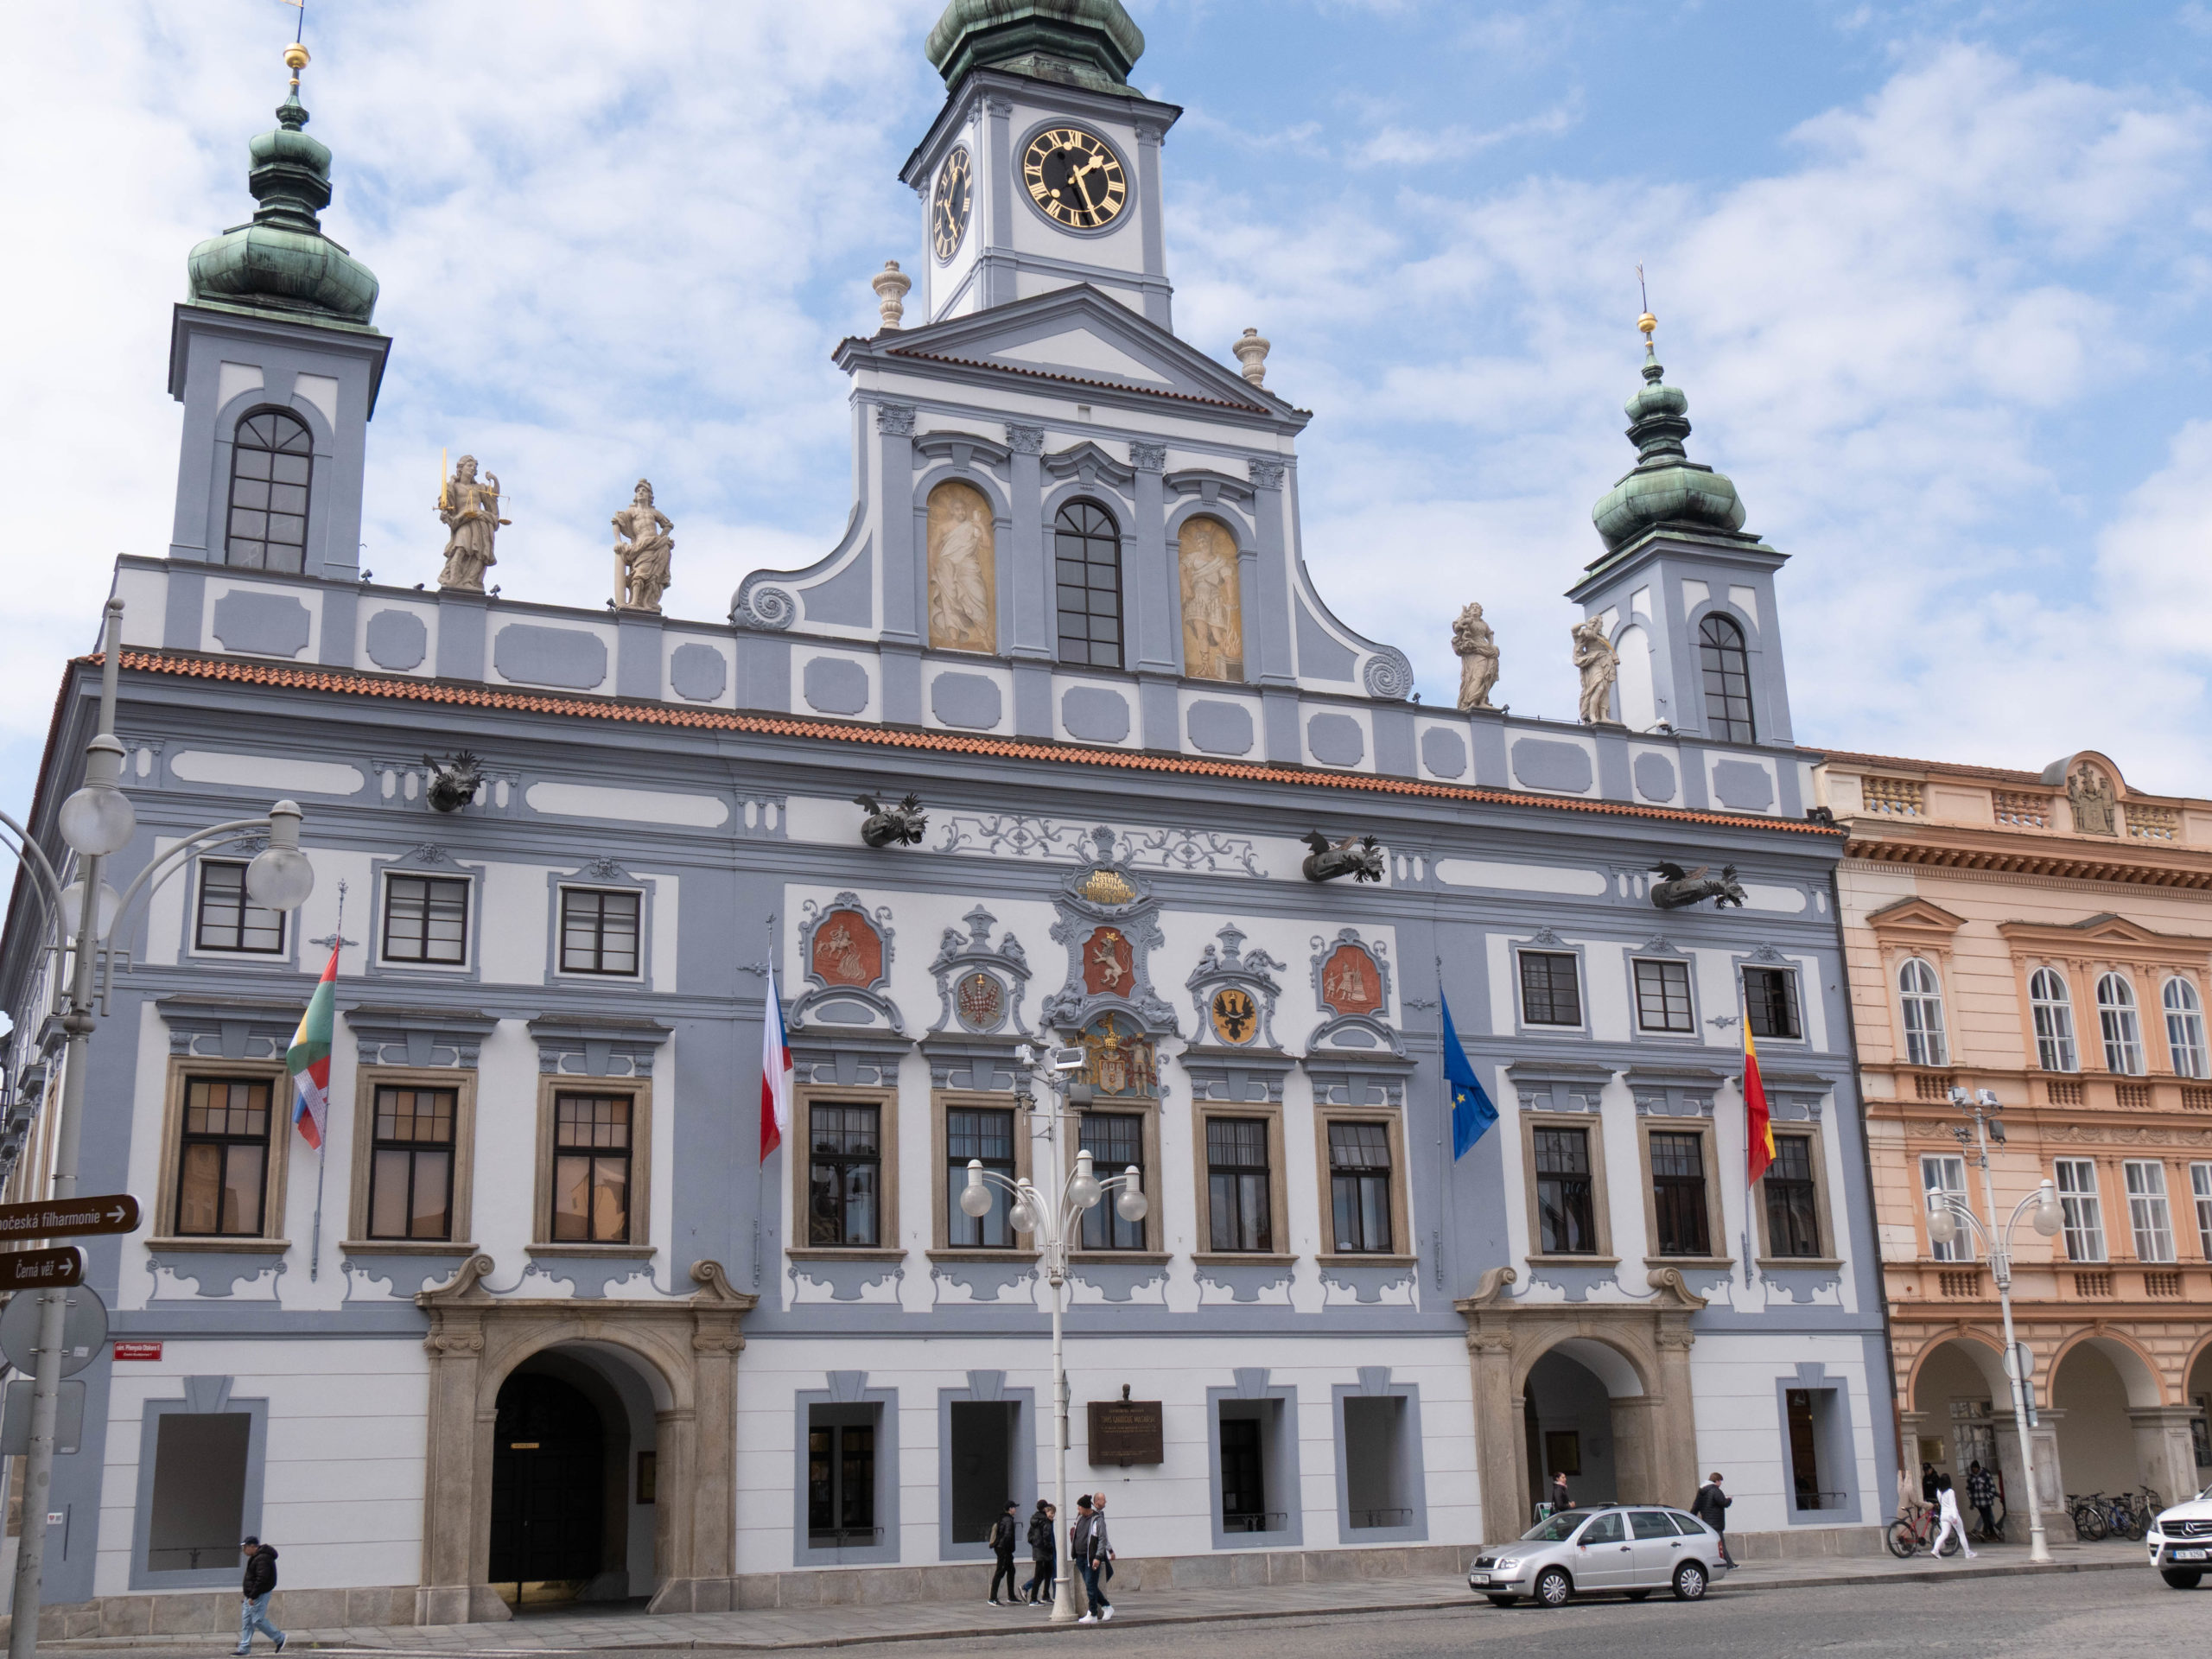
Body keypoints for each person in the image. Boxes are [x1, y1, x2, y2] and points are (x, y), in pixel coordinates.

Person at [236, 1535, 285, 1655]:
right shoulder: (255, 1558)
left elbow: (262, 1579)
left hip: (259, 1595)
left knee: (257, 1620)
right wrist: (248, 1595)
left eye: (245, 1547)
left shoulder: (263, 1558)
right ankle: (244, 1649)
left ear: (253, 1546)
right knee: (247, 1622)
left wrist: (253, 1596)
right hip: (251, 1595)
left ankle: (280, 1638)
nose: (244, 1550)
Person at [1072, 1494, 1115, 1623]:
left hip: (1091, 1558)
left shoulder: (1096, 1520)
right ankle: (1107, 1606)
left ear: (1086, 1508)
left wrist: (1098, 1556)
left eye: (1080, 1507)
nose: (1078, 1510)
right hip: (1080, 1557)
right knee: (1090, 1586)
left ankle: (1093, 1613)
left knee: (1090, 1585)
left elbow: (1102, 1539)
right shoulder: (1080, 1518)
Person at [1691, 1471, 1735, 1567]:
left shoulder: (1701, 1491)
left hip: (1707, 1522)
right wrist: (1729, 1499)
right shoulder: (1715, 1490)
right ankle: (1729, 1564)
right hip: (1716, 1522)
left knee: (1713, 1544)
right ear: (1717, 1480)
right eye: (1720, 1481)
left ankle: (1725, 1563)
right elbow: (1723, 1503)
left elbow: (1696, 1506)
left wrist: (1691, 1517)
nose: (1721, 1483)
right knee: (1721, 1544)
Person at [1930, 1472, 1977, 1560]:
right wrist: (1955, 1517)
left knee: (1944, 1534)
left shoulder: (1939, 1492)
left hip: (1943, 1515)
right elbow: (1953, 1505)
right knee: (1961, 1533)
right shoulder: (1950, 1492)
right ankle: (1968, 1553)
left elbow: (1941, 1503)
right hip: (1951, 1515)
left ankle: (1935, 1550)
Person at [1022, 1500, 1057, 1606]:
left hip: (1038, 1550)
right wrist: (1048, 1547)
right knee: (1039, 1575)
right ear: (1044, 1508)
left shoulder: (1035, 1519)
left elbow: (1030, 1537)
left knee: (1047, 1572)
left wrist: (1036, 1544)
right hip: (1044, 1552)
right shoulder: (1044, 1520)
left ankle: (1045, 1596)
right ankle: (1033, 1599)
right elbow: (1046, 1537)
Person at [986, 1499, 1020, 1605]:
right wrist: (1008, 1551)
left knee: (1011, 1570)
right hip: (1004, 1549)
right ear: (1010, 1509)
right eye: (1014, 1507)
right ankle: (992, 1598)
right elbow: (1007, 1536)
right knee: (1000, 1572)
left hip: (1002, 1548)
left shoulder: (1003, 1518)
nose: (1015, 1509)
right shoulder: (1008, 1520)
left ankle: (1011, 1596)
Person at [1966, 1460, 1999, 1541]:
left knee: (1986, 1517)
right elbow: (1969, 1489)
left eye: (1975, 1468)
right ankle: (1992, 1534)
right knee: (1986, 1517)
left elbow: (1992, 1487)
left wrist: (1988, 1496)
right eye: (1972, 1469)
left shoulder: (1985, 1475)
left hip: (1986, 1501)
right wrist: (1972, 1498)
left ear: (1978, 1467)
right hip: (1978, 1502)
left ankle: (1984, 1533)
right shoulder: (1971, 1477)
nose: (1974, 1470)